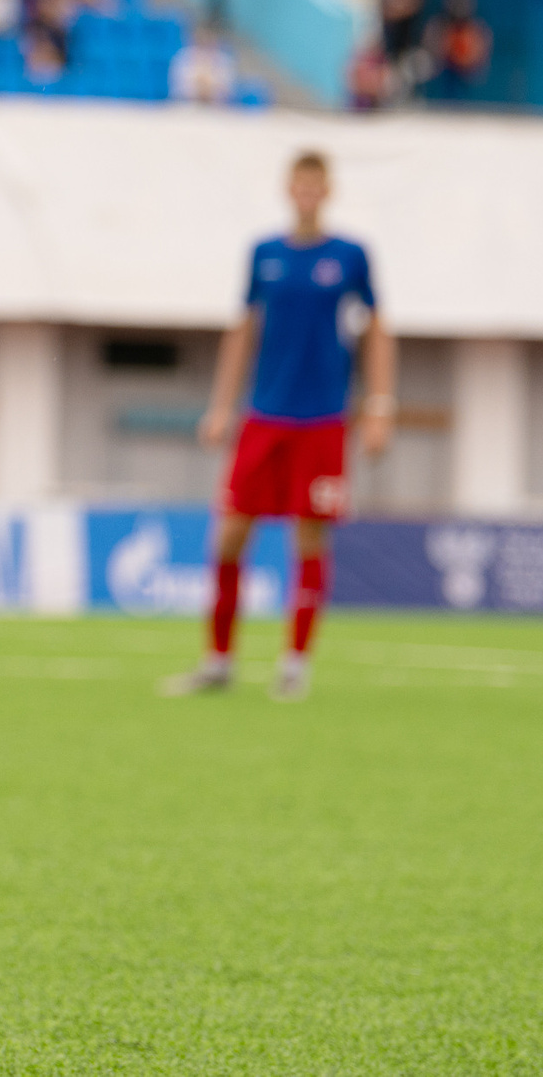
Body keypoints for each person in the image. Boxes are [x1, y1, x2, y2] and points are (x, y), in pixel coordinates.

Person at [165, 151, 396, 702]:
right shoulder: (264, 255)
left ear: (328, 190)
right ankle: (218, 660)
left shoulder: (351, 256)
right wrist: (222, 406)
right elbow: (243, 329)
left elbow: (377, 329)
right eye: (300, 184)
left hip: (323, 420)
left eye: (317, 184)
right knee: (228, 534)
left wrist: (380, 406)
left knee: (309, 535)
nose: (308, 193)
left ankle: (295, 663)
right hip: (264, 415)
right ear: (288, 189)